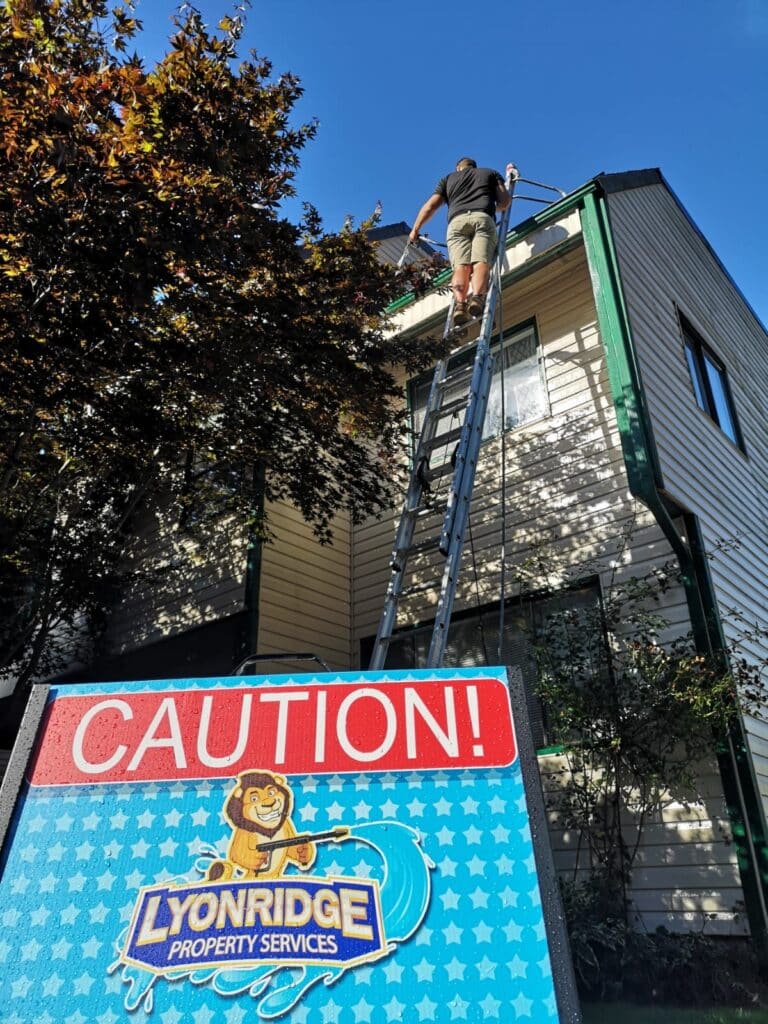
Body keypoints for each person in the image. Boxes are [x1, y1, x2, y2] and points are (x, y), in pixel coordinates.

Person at [409, 157, 513, 327]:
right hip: (482, 217)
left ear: (458, 168)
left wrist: (415, 230)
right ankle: (478, 299)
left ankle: (459, 305)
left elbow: (430, 206)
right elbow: (505, 200)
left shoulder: (448, 179)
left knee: (461, 267)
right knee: (481, 262)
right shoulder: (490, 173)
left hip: (456, 223)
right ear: (474, 167)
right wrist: (495, 207)